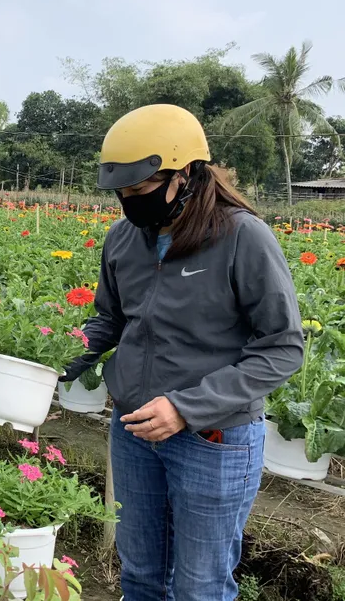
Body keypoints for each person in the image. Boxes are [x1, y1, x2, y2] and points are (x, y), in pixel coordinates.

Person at [62, 104, 303, 601]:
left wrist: (186, 407)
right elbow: (109, 319)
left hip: (212, 438)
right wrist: (53, 360)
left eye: (141, 189)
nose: (129, 202)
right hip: (133, 430)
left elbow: (282, 347)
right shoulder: (123, 239)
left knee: (199, 587)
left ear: (186, 173)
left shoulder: (241, 237)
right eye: (121, 192)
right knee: (140, 576)